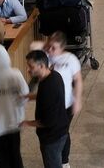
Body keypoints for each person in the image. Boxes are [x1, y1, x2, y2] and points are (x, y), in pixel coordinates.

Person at [22, 50, 68, 168]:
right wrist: (29, 97)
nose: (28, 70)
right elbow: (45, 96)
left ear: (41, 66)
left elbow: (47, 122)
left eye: (31, 66)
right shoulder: (54, 76)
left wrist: (26, 123)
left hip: (52, 138)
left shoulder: (48, 87)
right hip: (62, 130)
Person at [45, 33, 82, 168]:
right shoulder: (47, 57)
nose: (50, 50)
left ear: (62, 48)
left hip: (66, 104)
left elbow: (78, 80)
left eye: (53, 48)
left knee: (63, 132)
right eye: (49, 46)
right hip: (52, 105)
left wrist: (77, 99)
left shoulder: (70, 59)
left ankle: (64, 161)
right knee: (55, 132)